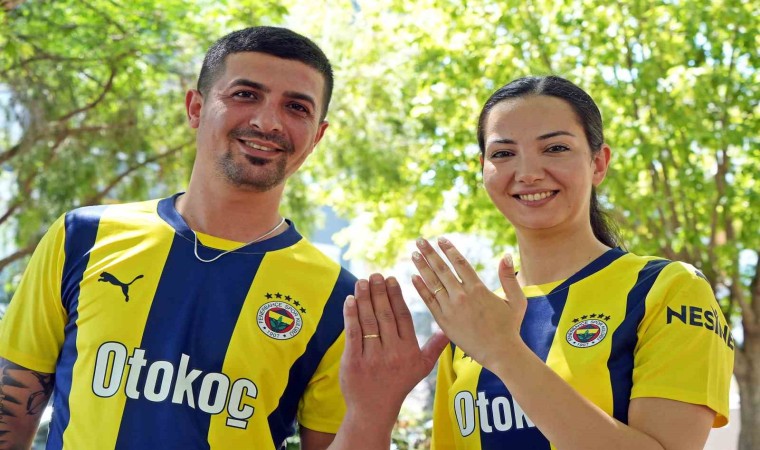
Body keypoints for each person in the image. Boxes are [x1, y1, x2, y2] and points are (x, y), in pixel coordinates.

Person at [0, 26, 445, 450]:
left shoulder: (340, 300)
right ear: (195, 108)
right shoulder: (82, 237)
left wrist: (376, 408)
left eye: (297, 107)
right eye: (245, 94)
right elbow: (13, 412)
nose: (268, 122)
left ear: (317, 137)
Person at [406, 76, 734, 449]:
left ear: (599, 163)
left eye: (555, 148)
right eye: (503, 153)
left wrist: (505, 353)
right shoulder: (474, 318)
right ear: (483, 169)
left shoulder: (668, 289)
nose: (528, 173)